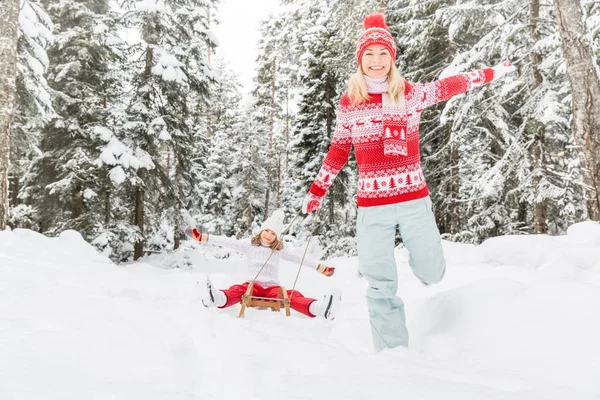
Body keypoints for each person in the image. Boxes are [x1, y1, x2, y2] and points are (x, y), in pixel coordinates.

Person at [301, 13, 516, 350]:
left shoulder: (411, 95)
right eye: (369, 54)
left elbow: (452, 85)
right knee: (379, 283)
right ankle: (393, 356)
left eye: (382, 54)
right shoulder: (350, 105)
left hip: (414, 200)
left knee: (432, 272)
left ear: (392, 58)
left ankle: (423, 265)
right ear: (360, 61)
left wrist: (492, 73)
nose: (376, 61)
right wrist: (317, 191)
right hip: (372, 208)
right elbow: (338, 150)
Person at [186, 209, 341, 320]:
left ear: (277, 237)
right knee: (238, 290)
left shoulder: (279, 250)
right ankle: (216, 298)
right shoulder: (249, 244)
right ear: (261, 231)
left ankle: (319, 309)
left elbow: (299, 259)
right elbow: (228, 241)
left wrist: (321, 268)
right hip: (253, 285)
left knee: (291, 295)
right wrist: (202, 237)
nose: (268, 235)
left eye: (273, 233)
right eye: (266, 231)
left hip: (273, 289)